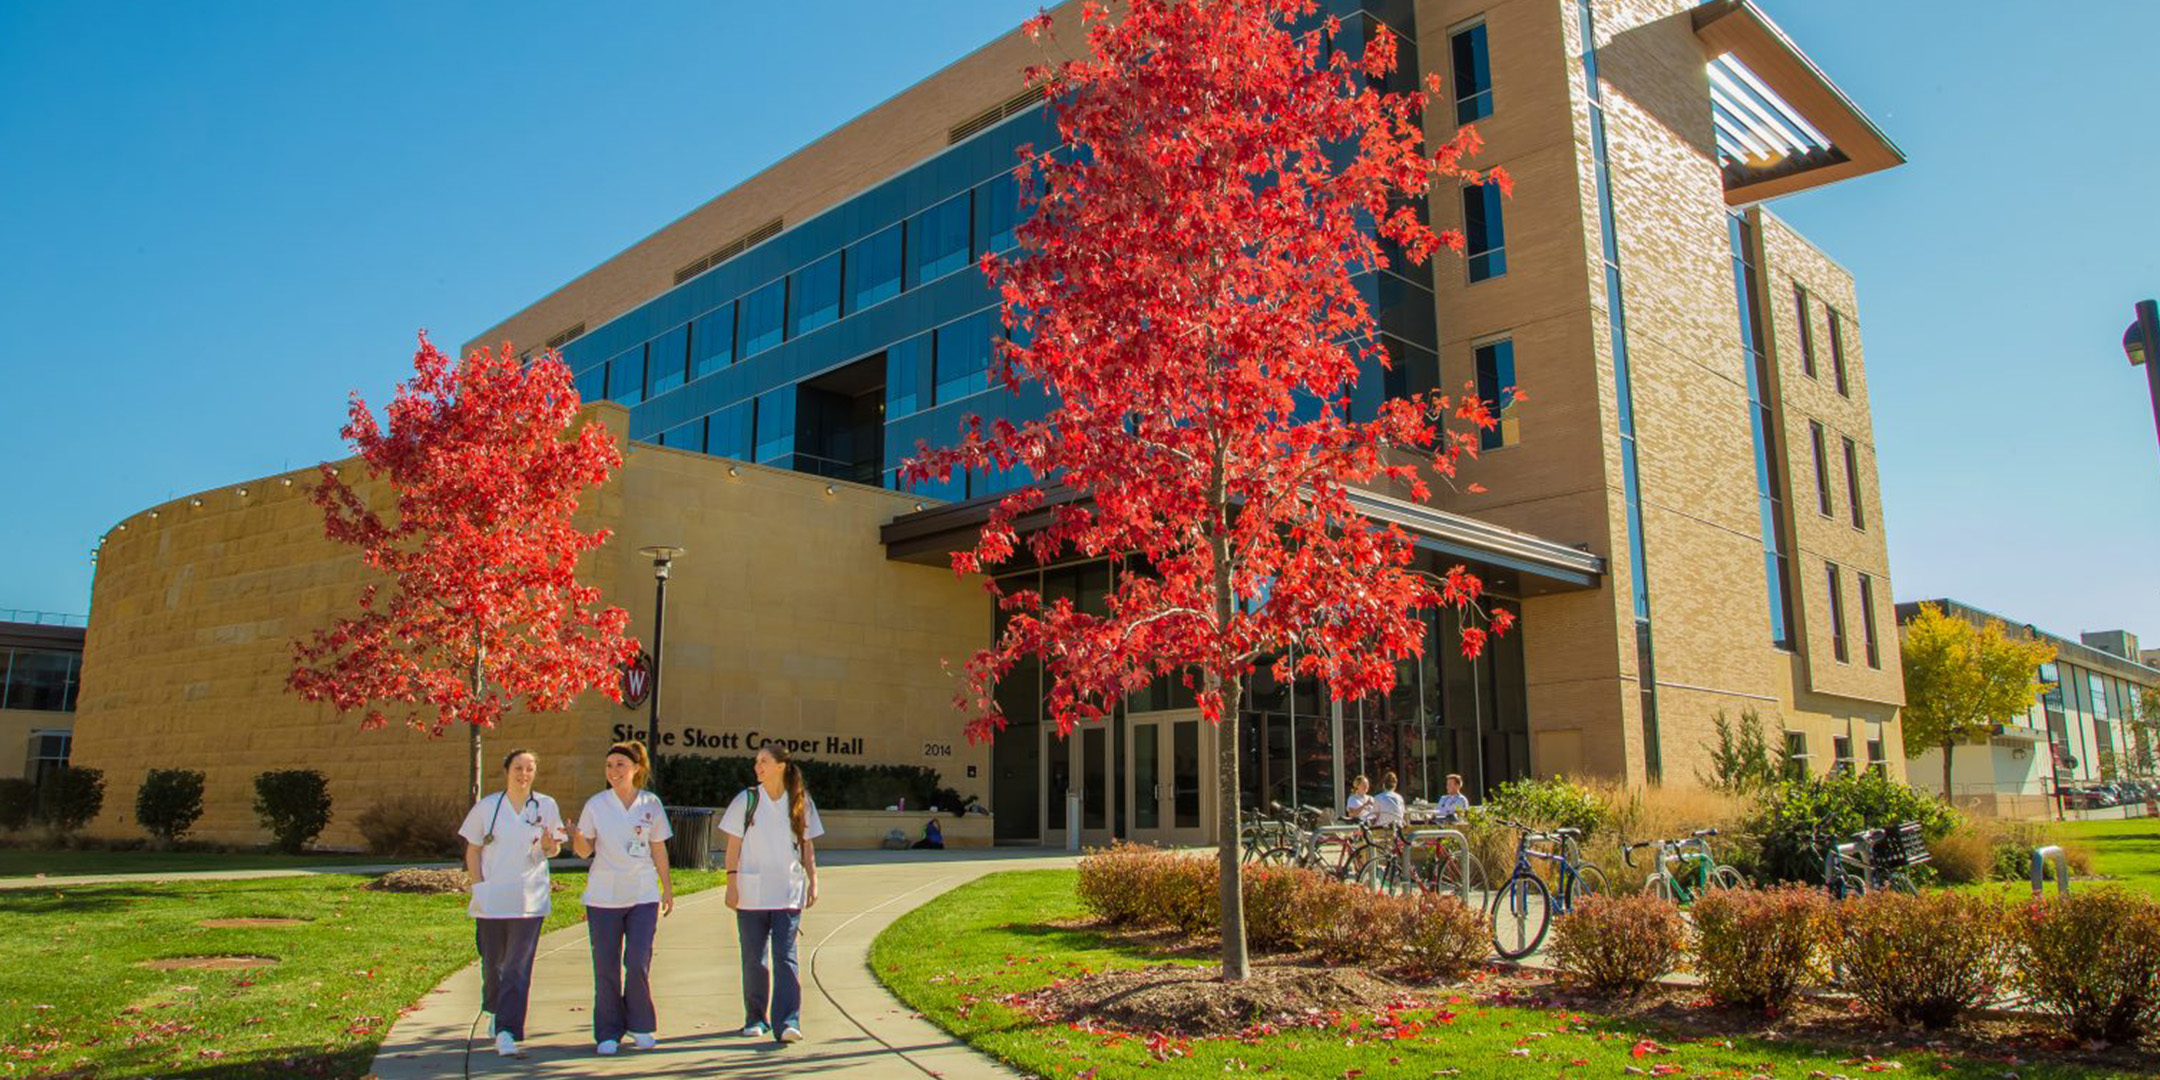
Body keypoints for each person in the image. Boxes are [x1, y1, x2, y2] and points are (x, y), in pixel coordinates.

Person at [458, 748, 565, 1059]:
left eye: (530, 768)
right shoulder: (488, 807)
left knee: (517, 967)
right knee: (493, 964)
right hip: (492, 898)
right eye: (518, 768)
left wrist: (549, 845)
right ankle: (494, 1009)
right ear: (507, 771)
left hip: (529, 898)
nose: (524, 774)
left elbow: (553, 848)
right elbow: (473, 851)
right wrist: (478, 887)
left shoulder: (546, 805)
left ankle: (507, 1030)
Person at [572, 740, 675, 1056]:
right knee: (606, 966)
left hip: (643, 894)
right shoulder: (596, 804)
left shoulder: (650, 804)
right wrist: (576, 836)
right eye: (609, 766)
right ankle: (607, 1031)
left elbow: (658, 847)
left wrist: (667, 888)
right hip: (603, 896)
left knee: (637, 962)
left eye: (620, 765)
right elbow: (584, 850)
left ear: (636, 769)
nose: (613, 771)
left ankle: (640, 1025)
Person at [720, 745, 824, 1045]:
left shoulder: (801, 802)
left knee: (786, 957)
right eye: (756, 762)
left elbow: (807, 847)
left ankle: (788, 1021)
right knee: (754, 958)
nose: (758, 767)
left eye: (764, 761)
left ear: (781, 766)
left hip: (788, 893)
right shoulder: (747, 800)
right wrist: (731, 882)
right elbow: (733, 847)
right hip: (751, 894)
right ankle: (755, 1018)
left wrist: (813, 880)